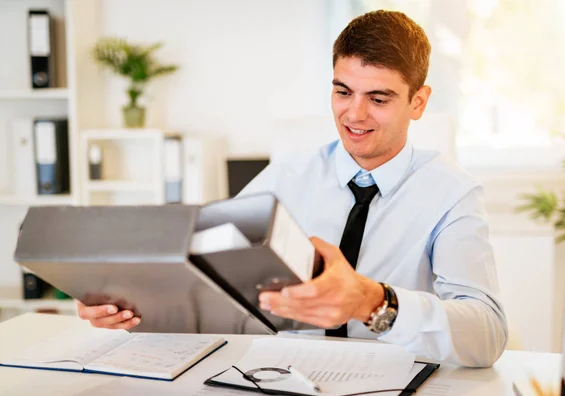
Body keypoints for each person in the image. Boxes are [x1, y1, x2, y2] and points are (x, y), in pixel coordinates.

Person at [77, 10, 507, 368]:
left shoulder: (453, 194)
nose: (354, 114)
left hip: (395, 376)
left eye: (378, 98)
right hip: (284, 374)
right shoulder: (287, 175)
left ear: (418, 102)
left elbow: (486, 333)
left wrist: (373, 303)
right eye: (342, 91)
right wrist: (131, 298)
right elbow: (207, 267)